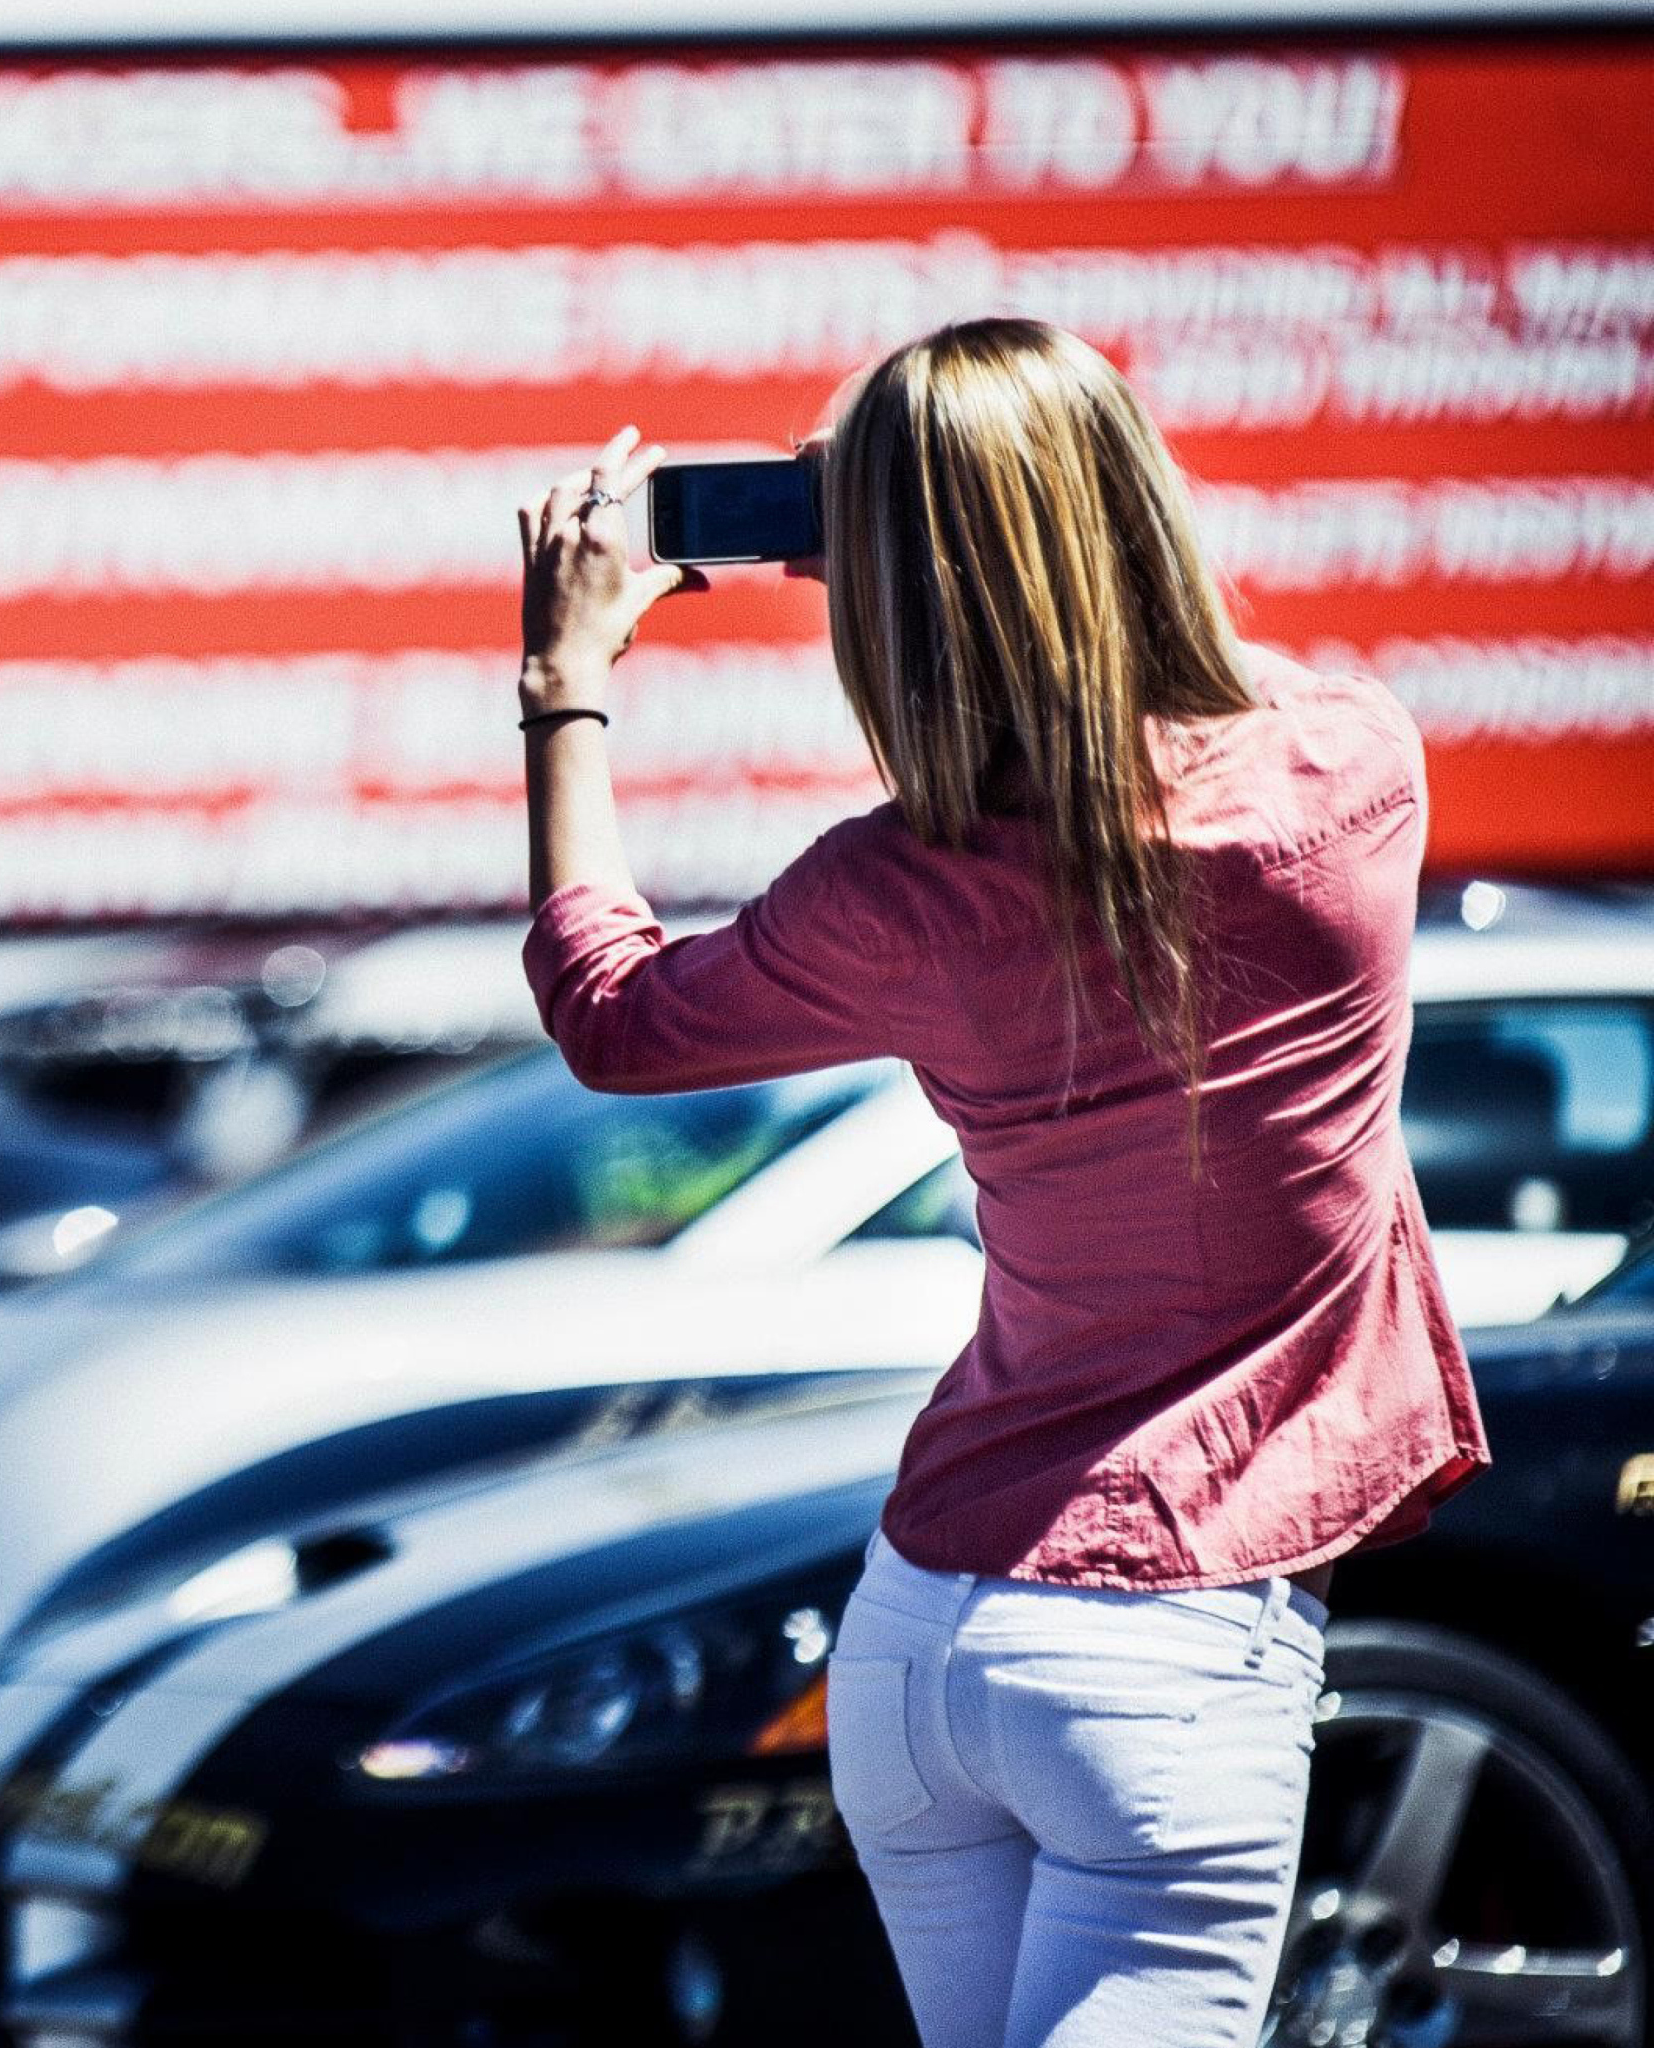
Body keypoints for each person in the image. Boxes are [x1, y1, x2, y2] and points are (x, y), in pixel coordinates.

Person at [512, 317, 1488, 2048]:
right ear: (1130, 510)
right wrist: (967, 516)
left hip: (918, 1640)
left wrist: (567, 685)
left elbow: (609, 1015)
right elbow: (1204, 685)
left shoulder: (891, 893)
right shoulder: (1351, 778)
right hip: (1174, 1642)